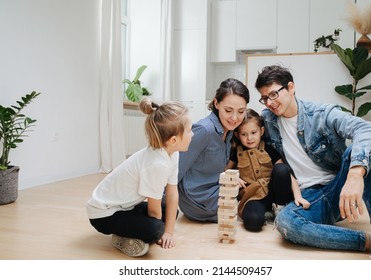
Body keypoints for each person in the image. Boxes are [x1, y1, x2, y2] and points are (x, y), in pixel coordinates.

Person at [255, 64, 371, 259]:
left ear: (291, 88)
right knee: (286, 223)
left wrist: (354, 175)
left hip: (338, 189)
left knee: (360, 151)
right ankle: (367, 241)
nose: (269, 102)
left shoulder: (320, 114)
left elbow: (369, 131)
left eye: (274, 94)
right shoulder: (267, 120)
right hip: (308, 198)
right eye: (264, 98)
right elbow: (244, 128)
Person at [86, 98, 193, 257]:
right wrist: (160, 231)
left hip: (124, 207)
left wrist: (169, 232)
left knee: (170, 210)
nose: (193, 134)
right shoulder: (157, 163)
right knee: (155, 229)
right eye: (190, 130)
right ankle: (121, 237)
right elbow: (153, 210)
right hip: (104, 214)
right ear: (174, 140)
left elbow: (171, 194)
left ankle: (133, 231)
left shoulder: (173, 153)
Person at [178, 78, 250, 222]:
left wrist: (230, 180)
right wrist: (165, 208)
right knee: (249, 206)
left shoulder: (228, 131)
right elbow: (176, 169)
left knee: (254, 190)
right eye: (228, 110)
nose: (234, 118)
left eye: (241, 111)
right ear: (216, 103)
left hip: (214, 190)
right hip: (197, 199)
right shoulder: (204, 130)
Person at [227, 108, 310, 232]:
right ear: (237, 135)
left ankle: (279, 209)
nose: (249, 138)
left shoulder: (269, 149)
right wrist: (234, 177)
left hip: (275, 193)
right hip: (254, 197)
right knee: (252, 223)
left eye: (253, 132)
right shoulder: (236, 153)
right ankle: (266, 214)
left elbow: (288, 174)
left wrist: (298, 196)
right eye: (244, 134)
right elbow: (225, 171)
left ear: (261, 131)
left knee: (282, 169)